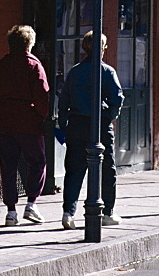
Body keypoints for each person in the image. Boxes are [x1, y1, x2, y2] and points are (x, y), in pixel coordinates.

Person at [0, 24, 50, 226]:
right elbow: (42, 95)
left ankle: (11, 211)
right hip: (28, 121)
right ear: (30, 43)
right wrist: (40, 115)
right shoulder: (34, 65)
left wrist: (2, 105)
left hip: (4, 121)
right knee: (37, 162)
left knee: (8, 165)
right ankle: (31, 204)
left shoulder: (1, 64)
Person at [57, 30, 124, 230]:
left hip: (76, 123)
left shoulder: (75, 71)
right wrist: (110, 116)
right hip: (99, 123)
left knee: (74, 169)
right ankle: (107, 211)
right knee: (107, 168)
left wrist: (63, 124)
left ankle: (68, 212)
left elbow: (64, 100)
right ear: (102, 49)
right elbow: (117, 98)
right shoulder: (107, 71)